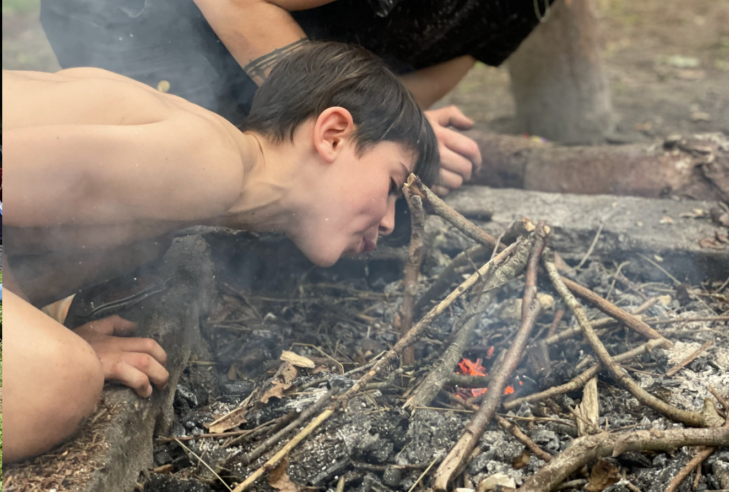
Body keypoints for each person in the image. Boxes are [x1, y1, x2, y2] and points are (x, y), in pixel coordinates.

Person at [38, 0, 729, 194]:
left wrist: (398, 123)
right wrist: (376, 133)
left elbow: (412, 83)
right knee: (193, 196)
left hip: (235, 44)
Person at [1, 41, 439, 463]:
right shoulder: (210, 164)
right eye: (393, 188)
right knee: (57, 383)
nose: (388, 222)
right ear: (334, 135)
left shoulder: (167, 214)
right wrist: (68, 359)